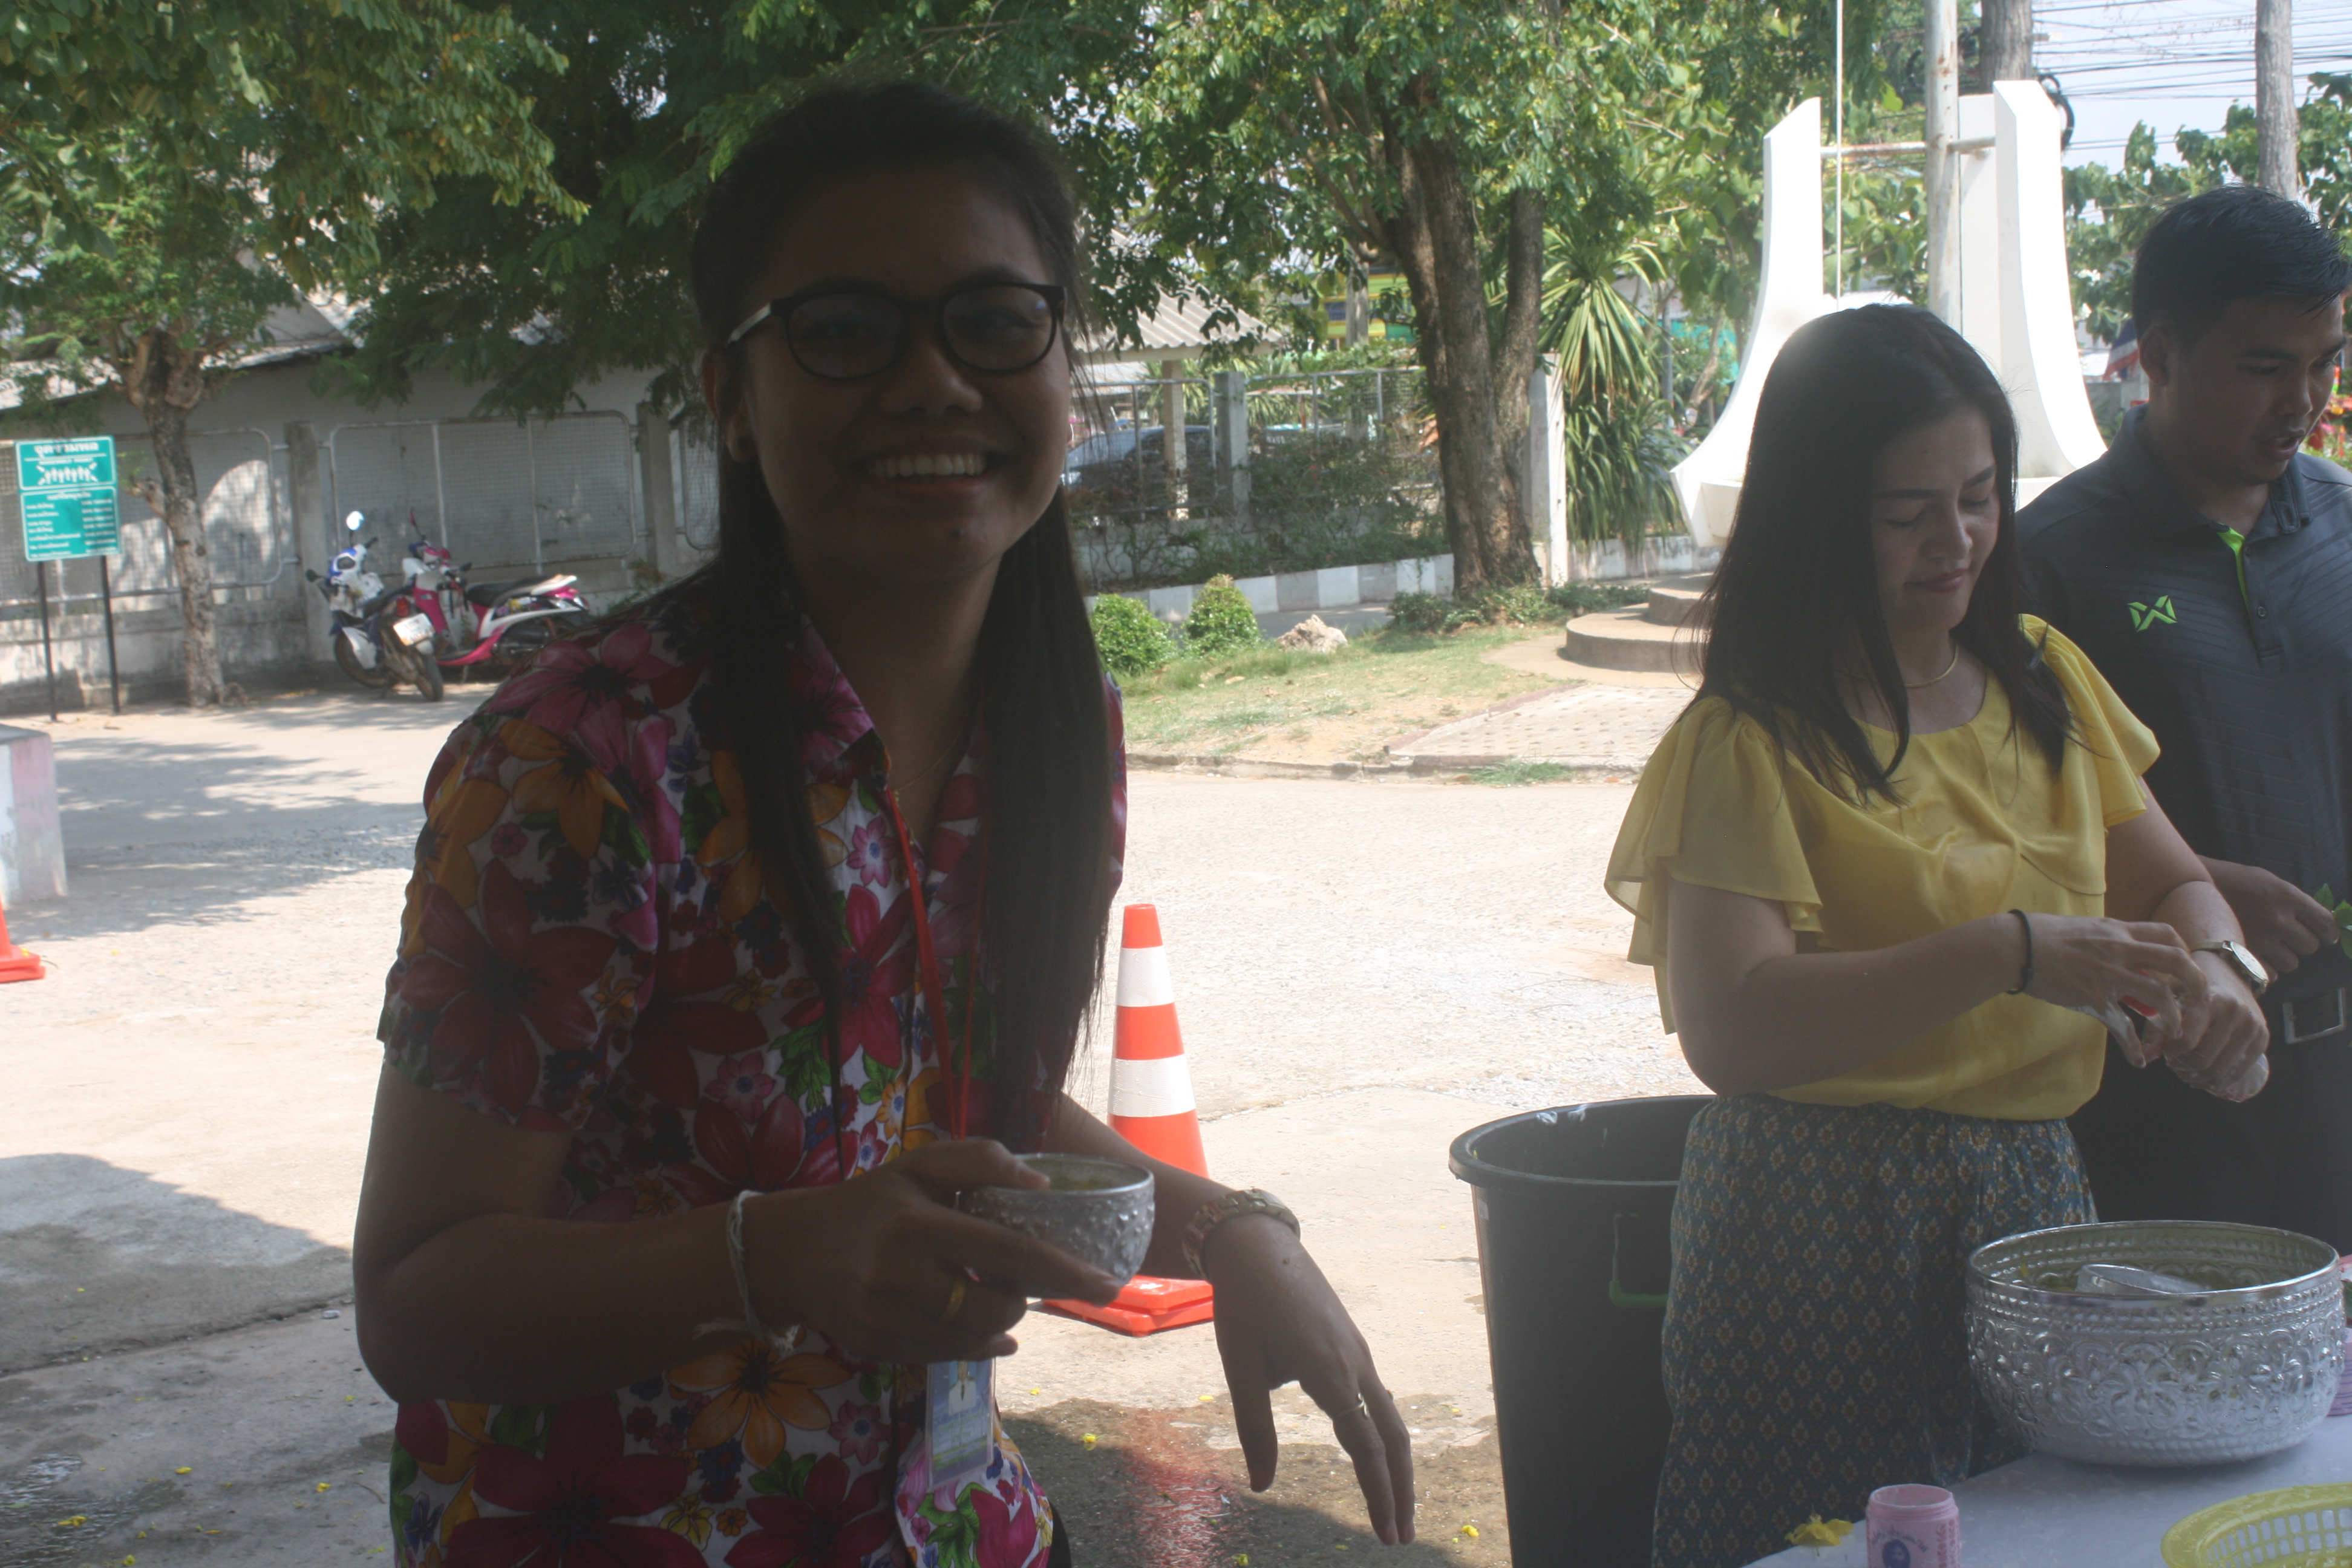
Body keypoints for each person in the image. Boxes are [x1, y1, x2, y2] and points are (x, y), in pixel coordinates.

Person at [351, 80, 1414, 1568]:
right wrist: (772, 1258)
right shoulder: (580, 765)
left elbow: (957, 1094)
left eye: (995, 320)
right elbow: (414, 1300)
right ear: (730, 394)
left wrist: (1235, 1230)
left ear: (1064, 361)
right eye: (845, 330)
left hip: (953, 1522)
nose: (933, 382)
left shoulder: (1057, 731)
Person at [1605, 304, 2269, 1568]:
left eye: (1979, 498)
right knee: (1825, 1537)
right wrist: (2008, 953)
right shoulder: (1749, 738)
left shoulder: (2043, 677)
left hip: (2028, 1199)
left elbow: (2177, 883)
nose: (1955, 541)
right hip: (1812, 1219)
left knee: (2034, 1528)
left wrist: (2220, 971)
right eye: (1906, 512)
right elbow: (1734, 1028)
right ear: (1815, 518)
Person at [2019, 185, 2352, 1251]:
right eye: (2266, 367)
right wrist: (2193, 888)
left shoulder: (2344, 524)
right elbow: (1995, 825)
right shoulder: (2048, 561)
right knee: (2181, 1339)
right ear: (2159, 356)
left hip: (2340, 1074)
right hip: (2159, 1082)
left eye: (2325, 362)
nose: (2303, 401)